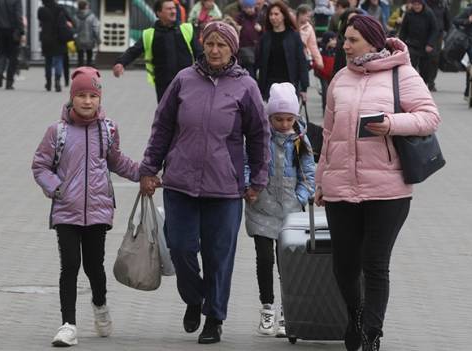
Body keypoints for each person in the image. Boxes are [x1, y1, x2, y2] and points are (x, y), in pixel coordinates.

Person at [138, 22, 270, 345]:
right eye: (209, 43)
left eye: (221, 45)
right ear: (202, 44)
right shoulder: (184, 80)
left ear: (232, 50)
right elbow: (162, 127)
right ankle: (194, 298)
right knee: (181, 247)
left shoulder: (246, 87)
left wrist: (258, 179)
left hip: (225, 187)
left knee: (218, 256)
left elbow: (259, 136)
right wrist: (148, 168)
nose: (214, 50)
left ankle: (214, 317)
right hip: (180, 182)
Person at [316, 14, 440, 351]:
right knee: (344, 264)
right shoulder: (339, 78)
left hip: (388, 188)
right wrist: (320, 180)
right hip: (340, 184)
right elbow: (328, 134)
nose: (345, 44)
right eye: (345, 38)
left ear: (372, 41)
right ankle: (355, 315)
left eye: (352, 39)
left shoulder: (403, 73)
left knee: (374, 261)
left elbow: (430, 116)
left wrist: (392, 123)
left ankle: (372, 333)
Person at [32, 67, 142, 347]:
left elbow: (117, 161)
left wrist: (145, 173)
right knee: (70, 265)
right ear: (72, 97)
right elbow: (41, 165)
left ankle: (100, 304)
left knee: (94, 267)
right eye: (81, 95)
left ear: (99, 98)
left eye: (93, 95)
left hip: (98, 210)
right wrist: (57, 188)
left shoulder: (107, 130)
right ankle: (68, 325)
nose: (87, 101)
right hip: (66, 211)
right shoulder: (57, 132)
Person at [244, 82, 316, 337]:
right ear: (268, 116)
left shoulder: (300, 141)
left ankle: (289, 311)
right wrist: (249, 187)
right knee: (264, 259)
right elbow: (247, 163)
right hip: (261, 207)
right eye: (278, 119)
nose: (284, 124)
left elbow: (309, 173)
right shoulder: (258, 139)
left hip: (290, 211)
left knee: (288, 263)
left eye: (289, 119)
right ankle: (267, 307)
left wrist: (301, 196)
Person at [113, 0, 201, 102]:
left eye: (174, 8)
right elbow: (134, 51)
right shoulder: (150, 34)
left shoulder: (186, 29)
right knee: (165, 116)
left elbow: (199, 52)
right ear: (159, 13)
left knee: (186, 113)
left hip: (186, 82)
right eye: (169, 9)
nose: (173, 11)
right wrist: (120, 63)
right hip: (163, 84)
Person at [256, 0, 309, 101]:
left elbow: (302, 61)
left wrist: (304, 87)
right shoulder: (265, 37)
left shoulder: (294, 36)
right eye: (270, 14)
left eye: (276, 14)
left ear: (284, 15)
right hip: (270, 85)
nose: (273, 17)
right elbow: (259, 62)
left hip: (289, 84)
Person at [398, 0, 438, 86]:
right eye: (414, 4)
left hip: (425, 45)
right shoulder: (409, 14)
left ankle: (423, 84)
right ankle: (410, 84)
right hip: (412, 44)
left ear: (422, 4)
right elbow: (403, 30)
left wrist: (430, 43)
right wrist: (401, 43)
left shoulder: (429, 13)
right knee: (410, 66)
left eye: (418, 5)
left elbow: (434, 30)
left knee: (425, 68)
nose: (416, 7)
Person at [0, 0, 25, 90]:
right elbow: (18, 15)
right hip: (13, 31)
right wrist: (21, 31)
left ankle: (0, 74)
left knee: (2, 53)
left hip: (1, 31)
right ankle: (9, 82)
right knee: (13, 57)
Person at [38, 0, 70, 92]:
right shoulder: (60, 9)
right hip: (59, 38)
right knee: (58, 60)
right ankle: (57, 81)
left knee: (48, 61)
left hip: (46, 38)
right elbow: (68, 20)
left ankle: (48, 83)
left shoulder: (41, 10)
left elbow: (40, 20)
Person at [424, 0, 450, 91]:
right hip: (424, 33)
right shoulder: (423, 3)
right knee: (424, 59)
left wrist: (446, 32)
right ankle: (423, 80)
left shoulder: (442, 4)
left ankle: (431, 82)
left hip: (438, 35)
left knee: (434, 59)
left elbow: (447, 21)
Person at [235, 0, 263, 77]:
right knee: (249, 73)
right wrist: (237, 29)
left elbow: (265, 32)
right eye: (247, 8)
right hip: (245, 50)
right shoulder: (240, 18)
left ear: (254, 7)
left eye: (251, 7)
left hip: (257, 49)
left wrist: (261, 30)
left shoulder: (259, 16)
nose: (249, 10)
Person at [297, 4, 324, 71]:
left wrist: (319, 61)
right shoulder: (291, 24)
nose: (309, 19)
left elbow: (313, 45)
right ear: (300, 14)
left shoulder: (309, 28)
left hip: (303, 57)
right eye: (307, 16)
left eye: (310, 17)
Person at [74, 0, 100, 67]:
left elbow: (74, 28)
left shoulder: (75, 16)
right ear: (86, 6)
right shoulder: (91, 16)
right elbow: (95, 28)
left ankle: (80, 69)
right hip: (89, 39)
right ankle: (88, 69)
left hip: (79, 39)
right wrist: (98, 38)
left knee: (80, 56)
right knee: (89, 55)